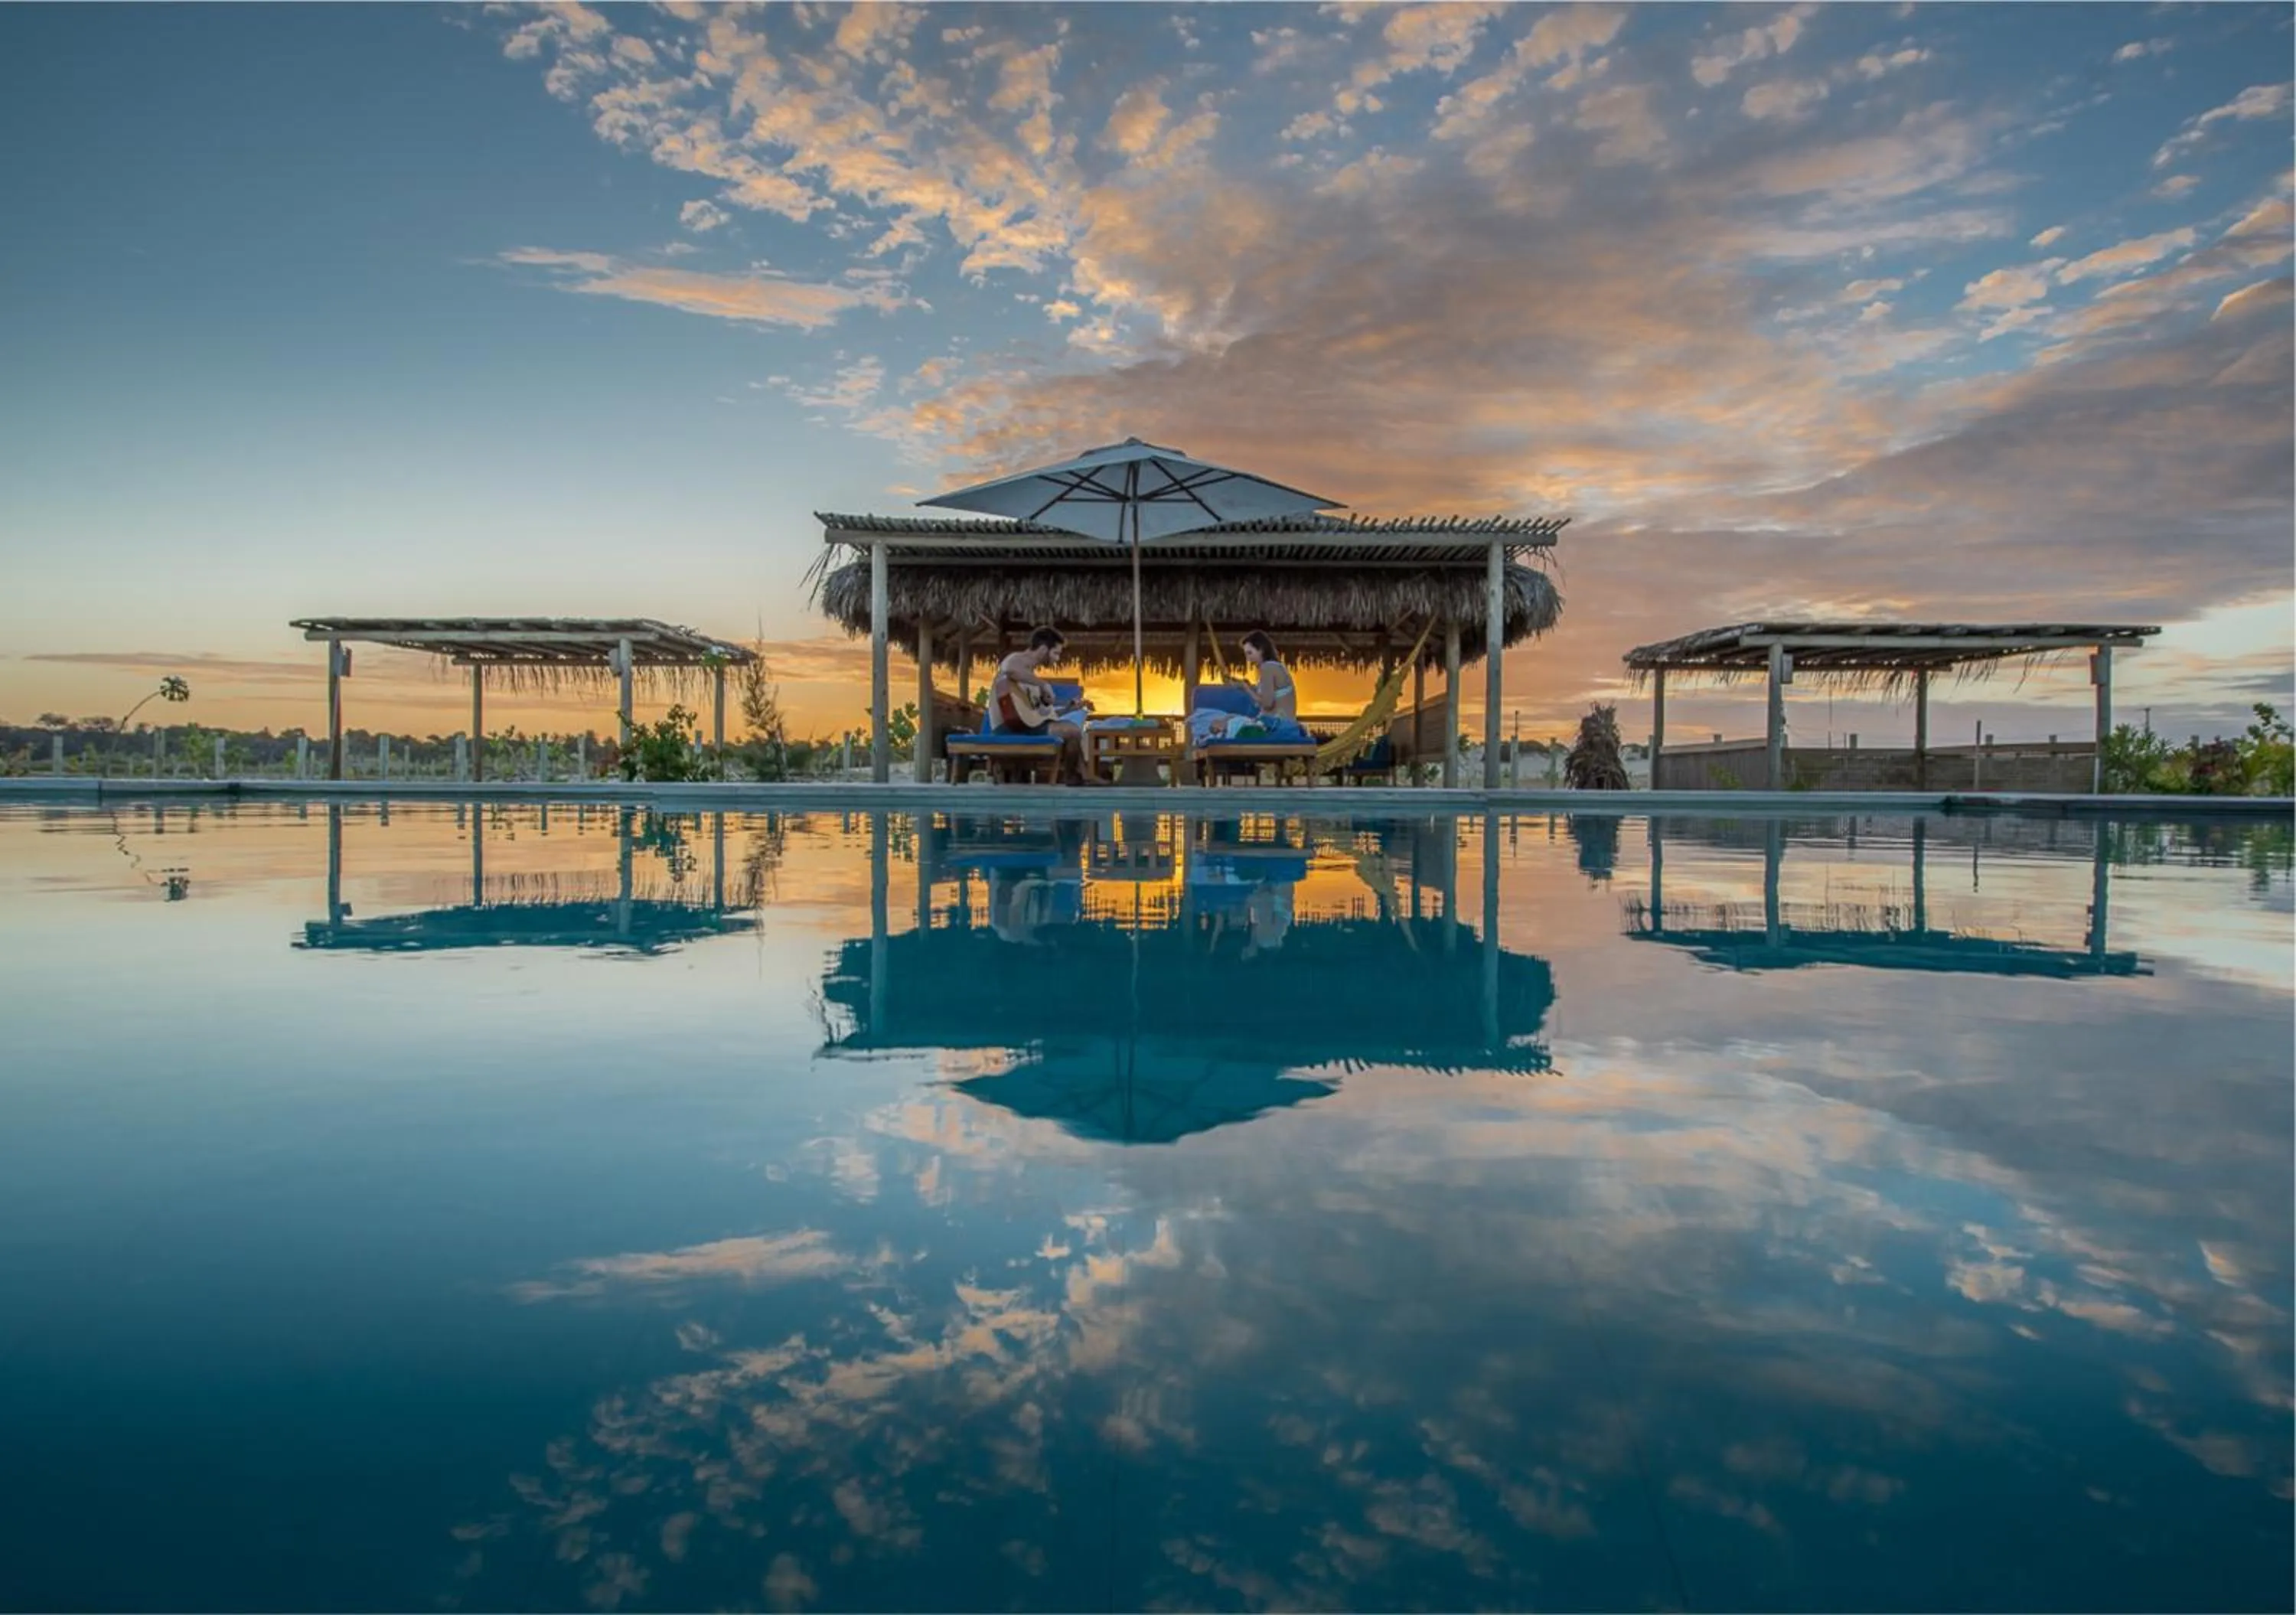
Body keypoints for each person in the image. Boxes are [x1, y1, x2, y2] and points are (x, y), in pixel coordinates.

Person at [990, 626, 1104, 785]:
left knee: (1071, 729)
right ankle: (1074, 776)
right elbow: (1008, 670)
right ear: (1043, 649)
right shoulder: (1016, 659)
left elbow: (1040, 716)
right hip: (1010, 727)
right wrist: (1043, 684)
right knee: (1072, 730)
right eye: (1056, 653)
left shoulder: (1030, 678)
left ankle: (1079, 776)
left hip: (1025, 725)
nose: (1057, 659)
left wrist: (1069, 709)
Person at [1190, 630, 1307, 744]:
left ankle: (1214, 736)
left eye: (1250, 653)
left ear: (1261, 650)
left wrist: (1246, 688)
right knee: (1228, 719)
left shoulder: (1267, 668)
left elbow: (1267, 704)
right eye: (1246, 654)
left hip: (1276, 726)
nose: (1248, 659)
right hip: (1279, 723)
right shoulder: (1274, 667)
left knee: (1226, 721)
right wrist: (1242, 685)